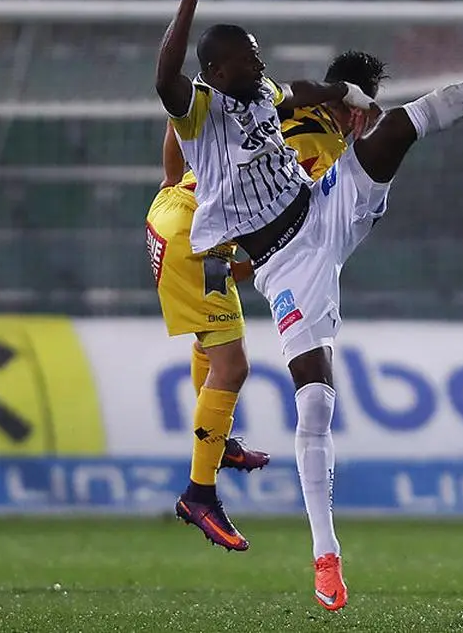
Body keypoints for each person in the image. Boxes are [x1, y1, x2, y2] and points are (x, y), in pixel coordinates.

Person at [155, 0, 463, 610]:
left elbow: (301, 90)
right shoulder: (200, 111)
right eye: (246, 58)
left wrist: (348, 95)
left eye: (258, 55)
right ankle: (326, 557)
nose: (258, 63)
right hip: (286, 265)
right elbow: (165, 79)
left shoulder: (261, 94)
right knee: (315, 399)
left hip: (323, 204)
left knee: (408, 121)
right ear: (216, 71)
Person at [147, 50, 390, 553]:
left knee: (214, 340)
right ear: (356, 110)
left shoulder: (270, 105)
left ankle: (218, 441)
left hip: (174, 213)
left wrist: (171, 180)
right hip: (193, 236)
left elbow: (180, 119)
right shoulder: (327, 151)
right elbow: (291, 229)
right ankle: (199, 493)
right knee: (232, 367)